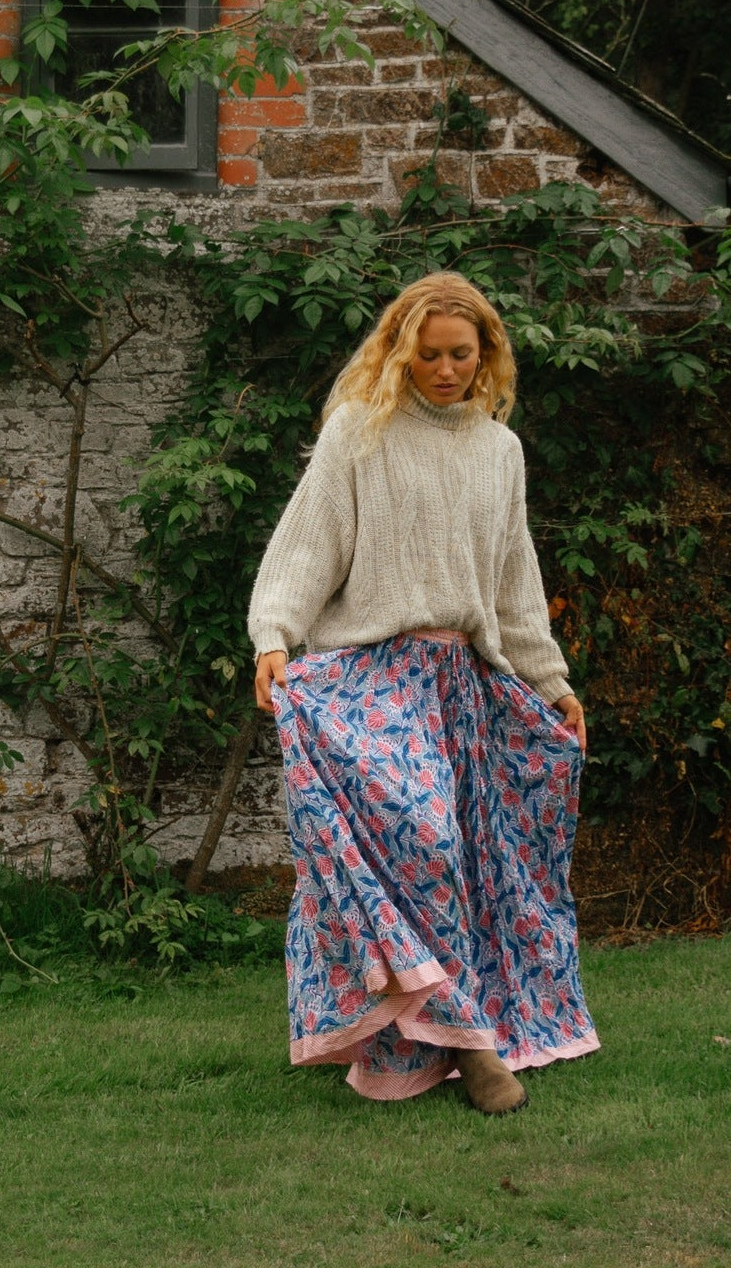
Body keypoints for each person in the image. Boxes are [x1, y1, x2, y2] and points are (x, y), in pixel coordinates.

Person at [249, 271, 599, 1114]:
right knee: (424, 844)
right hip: (373, 682)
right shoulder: (358, 435)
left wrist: (552, 682)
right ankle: (472, 1053)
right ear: (402, 352)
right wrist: (273, 637)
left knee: (480, 870)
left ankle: (455, 1042)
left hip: (465, 690)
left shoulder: (498, 451)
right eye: (429, 354)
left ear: (487, 357)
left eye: (461, 355)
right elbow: (307, 547)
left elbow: (515, 582)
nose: (445, 370)